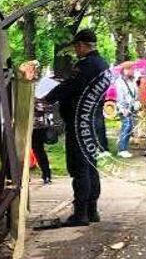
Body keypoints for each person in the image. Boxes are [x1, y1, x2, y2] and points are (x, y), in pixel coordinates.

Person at [44, 28, 110, 225]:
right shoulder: (103, 64)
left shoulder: (86, 66)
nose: (76, 51)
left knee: (80, 167)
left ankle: (80, 213)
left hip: (81, 123)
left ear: (81, 45)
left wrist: (50, 96)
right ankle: (92, 210)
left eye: (76, 47)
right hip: (95, 121)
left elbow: (72, 87)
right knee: (91, 166)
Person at [113, 65, 139, 158]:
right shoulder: (119, 82)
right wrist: (123, 109)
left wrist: (136, 102)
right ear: (123, 70)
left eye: (131, 69)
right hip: (123, 108)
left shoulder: (133, 81)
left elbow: (135, 95)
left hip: (132, 108)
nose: (131, 71)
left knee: (130, 127)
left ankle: (125, 148)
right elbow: (119, 97)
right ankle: (121, 149)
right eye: (128, 69)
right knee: (126, 126)